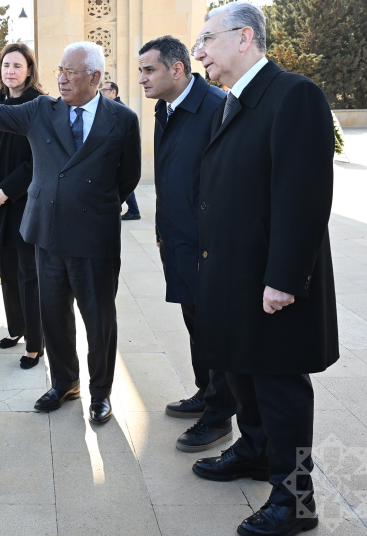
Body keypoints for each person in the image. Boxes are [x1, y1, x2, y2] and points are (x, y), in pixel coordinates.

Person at [0, 42, 142, 423]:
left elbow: (127, 177)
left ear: (96, 78)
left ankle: (101, 393)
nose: (62, 78)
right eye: (60, 71)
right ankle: (65, 382)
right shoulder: (40, 111)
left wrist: (93, 204)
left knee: (99, 320)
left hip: (94, 238)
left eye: (72, 72)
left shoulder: (122, 119)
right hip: (46, 233)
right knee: (53, 315)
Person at [191, 2, 338, 536]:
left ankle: (296, 500)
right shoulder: (234, 99)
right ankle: (253, 452)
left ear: (244, 38)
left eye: (207, 39)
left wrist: (284, 279)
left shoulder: (292, 94)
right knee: (242, 370)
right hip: (233, 274)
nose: (200, 51)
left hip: (271, 282)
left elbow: (303, 197)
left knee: (279, 387)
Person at [137, 35, 235, 453]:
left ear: (177, 70)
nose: (142, 78)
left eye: (149, 70)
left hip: (209, 246)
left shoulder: (216, 107)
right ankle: (205, 391)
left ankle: (219, 415)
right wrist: (162, 230)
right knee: (195, 322)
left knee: (216, 328)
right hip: (176, 238)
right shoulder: (165, 107)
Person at [0, 43, 46, 369]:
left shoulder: (40, 106)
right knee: (8, 273)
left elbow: (38, 160)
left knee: (29, 275)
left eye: (17, 65)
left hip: (26, 203)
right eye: (6, 65)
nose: (10, 71)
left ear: (29, 70)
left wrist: (7, 190)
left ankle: (36, 342)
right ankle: (16, 328)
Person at [100, 82, 140, 220]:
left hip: (118, 157)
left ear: (113, 92)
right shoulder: (108, 107)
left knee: (126, 182)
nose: (101, 92)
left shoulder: (120, 110)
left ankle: (134, 210)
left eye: (104, 90)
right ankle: (133, 210)